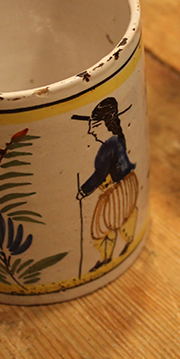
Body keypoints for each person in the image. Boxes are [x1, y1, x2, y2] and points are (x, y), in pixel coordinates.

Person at [73, 98, 139, 272]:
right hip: (128, 183)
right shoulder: (118, 138)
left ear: (106, 124)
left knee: (101, 227)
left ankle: (107, 258)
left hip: (117, 189)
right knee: (124, 217)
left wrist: (83, 191)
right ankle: (126, 245)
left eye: (94, 126)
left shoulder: (109, 145)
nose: (90, 131)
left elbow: (99, 174)